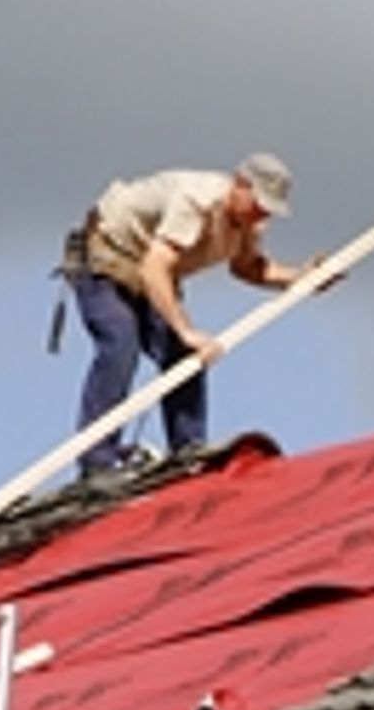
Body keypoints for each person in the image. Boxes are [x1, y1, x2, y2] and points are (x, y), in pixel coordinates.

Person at [60, 152, 322, 476]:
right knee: (120, 344)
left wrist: (299, 277)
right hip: (107, 255)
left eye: (268, 210)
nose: (261, 216)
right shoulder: (196, 201)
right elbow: (154, 268)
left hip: (151, 269)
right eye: (258, 205)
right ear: (240, 185)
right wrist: (185, 330)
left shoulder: (248, 223)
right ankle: (97, 461)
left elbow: (247, 267)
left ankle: (188, 451)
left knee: (184, 359)